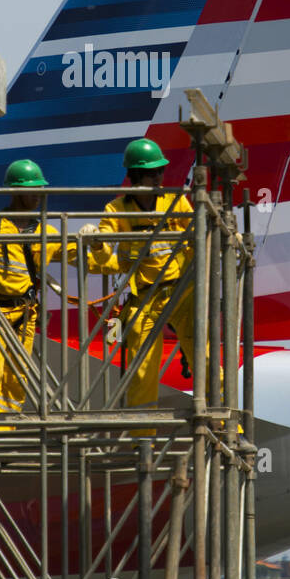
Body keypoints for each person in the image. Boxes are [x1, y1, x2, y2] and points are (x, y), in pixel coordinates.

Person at [88, 139, 197, 412]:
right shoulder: (117, 210)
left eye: (160, 171)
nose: (159, 177)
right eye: (152, 172)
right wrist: (97, 243)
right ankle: (143, 440)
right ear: (135, 176)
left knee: (205, 358)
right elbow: (103, 257)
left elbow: (199, 237)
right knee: (141, 367)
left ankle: (224, 426)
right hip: (145, 295)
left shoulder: (176, 201)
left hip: (181, 291)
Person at [0, 158, 68, 427]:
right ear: (17, 191)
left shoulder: (46, 232)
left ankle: (6, 432)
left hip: (25, 314)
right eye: (34, 190)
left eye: (40, 190)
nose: (38, 197)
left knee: (17, 377)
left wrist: (97, 244)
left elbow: (83, 257)